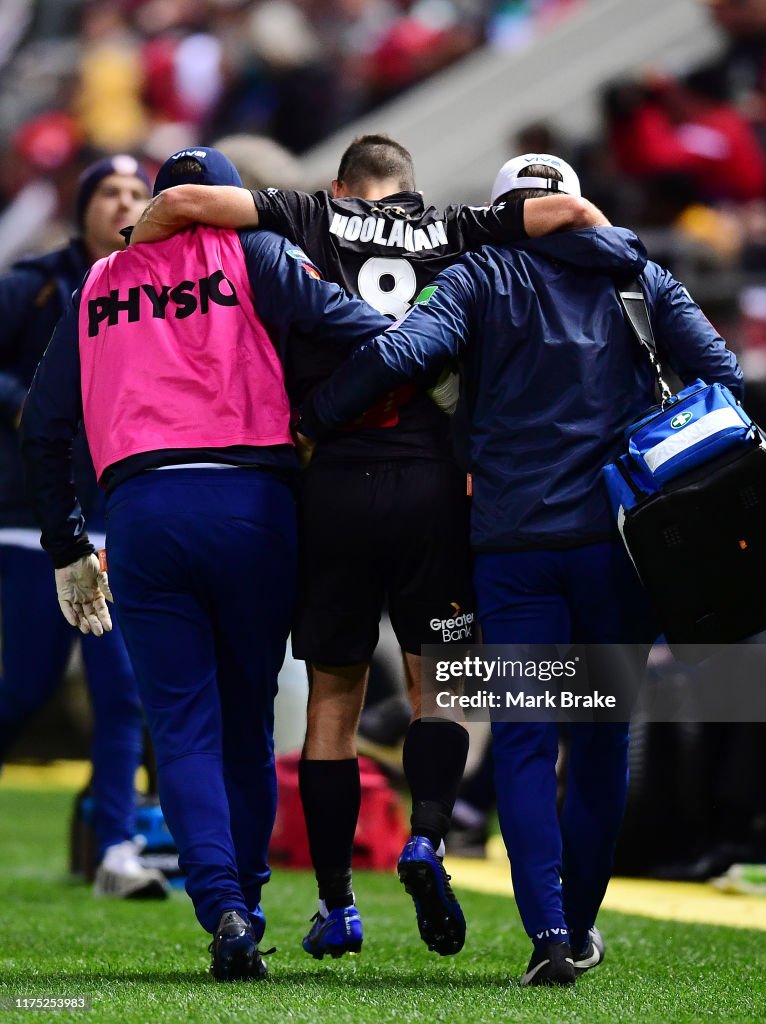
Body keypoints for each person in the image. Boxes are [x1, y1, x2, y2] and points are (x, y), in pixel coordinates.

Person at [130, 134, 610, 960]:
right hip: (433, 486)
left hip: (332, 484)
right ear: (411, 188)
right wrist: (622, 260)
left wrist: (129, 257)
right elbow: (568, 212)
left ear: (342, 184)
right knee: (440, 688)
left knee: (333, 700)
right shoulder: (463, 227)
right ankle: (425, 838)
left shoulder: (310, 214)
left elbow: (181, 203)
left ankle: (336, 903)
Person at [297, 153, 744, 985]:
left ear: (510, 211)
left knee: (527, 742)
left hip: (513, 547)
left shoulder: (479, 273)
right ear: (575, 205)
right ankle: (578, 927)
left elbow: (403, 353)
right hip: (622, 544)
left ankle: (543, 931)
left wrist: (316, 413)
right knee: (602, 741)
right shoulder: (637, 273)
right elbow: (724, 378)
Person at [21, 148, 390, 979]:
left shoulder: (96, 284)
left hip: (144, 513)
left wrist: (68, 545)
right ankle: (249, 902)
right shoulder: (254, 252)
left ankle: (221, 906)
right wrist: (330, 415)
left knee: (179, 727)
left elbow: (40, 431)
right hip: (253, 505)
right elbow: (361, 330)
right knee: (245, 727)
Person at [0, 154, 170, 900]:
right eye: (110, 192)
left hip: (116, 512)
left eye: (138, 193)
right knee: (27, 685)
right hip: (27, 519)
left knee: (121, 688)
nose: (126, 203)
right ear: (82, 208)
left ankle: (117, 848)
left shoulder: (166, 285)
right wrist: (27, 403)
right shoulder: (31, 283)